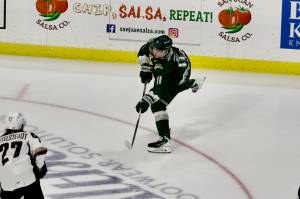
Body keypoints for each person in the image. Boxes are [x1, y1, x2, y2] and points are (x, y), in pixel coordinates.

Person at [135, 35, 206, 153]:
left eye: (157, 51)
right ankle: (195, 83)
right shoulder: (154, 47)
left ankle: (165, 141)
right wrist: (145, 69)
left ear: (165, 52)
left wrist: (145, 101)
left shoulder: (166, 65)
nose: (153, 52)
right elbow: (144, 51)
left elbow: (159, 89)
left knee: (158, 104)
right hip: (174, 68)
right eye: (153, 49)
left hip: (179, 74)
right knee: (161, 100)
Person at [0, 112, 47, 199]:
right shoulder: (28, 135)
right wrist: (40, 167)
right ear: (21, 124)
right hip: (27, 177)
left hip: (7, 183)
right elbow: (40, 150)